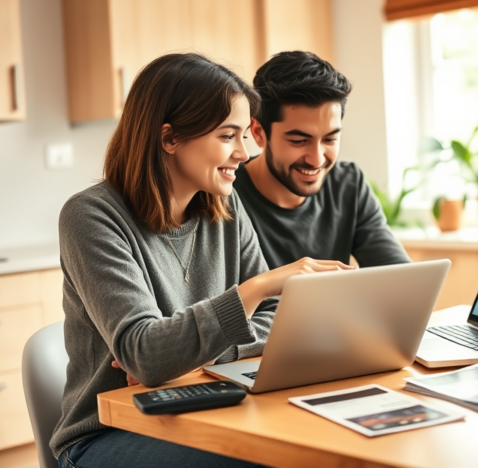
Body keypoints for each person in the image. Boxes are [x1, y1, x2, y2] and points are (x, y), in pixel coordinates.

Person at [50, 53, 352, 468]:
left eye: (245, 135)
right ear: (170, 138)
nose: (244, 153)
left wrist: (192, 354)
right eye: (228, 136)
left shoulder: (224, 208)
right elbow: (147, 355)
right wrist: (255, 288)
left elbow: (281, 319)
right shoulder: (91, 217)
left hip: (207, 406)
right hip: (111, 433)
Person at [233, 51, 410, 269]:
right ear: (259, 133)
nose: (316, 159)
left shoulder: (348, 184)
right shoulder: (225, 195)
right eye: (299, 141)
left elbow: (399, 275)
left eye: (330, 139)